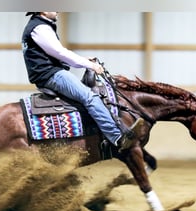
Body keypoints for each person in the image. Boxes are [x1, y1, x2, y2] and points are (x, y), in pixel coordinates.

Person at [21, 12, 142, 151]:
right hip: (51, 74)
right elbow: (60, 53)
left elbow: (54, 54)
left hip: (48, 73)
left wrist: (83, 60)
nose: (57, 10)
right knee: (90, 97)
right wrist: (90, 65)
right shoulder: (40, 28)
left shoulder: (38, 26)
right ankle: (117, 138)